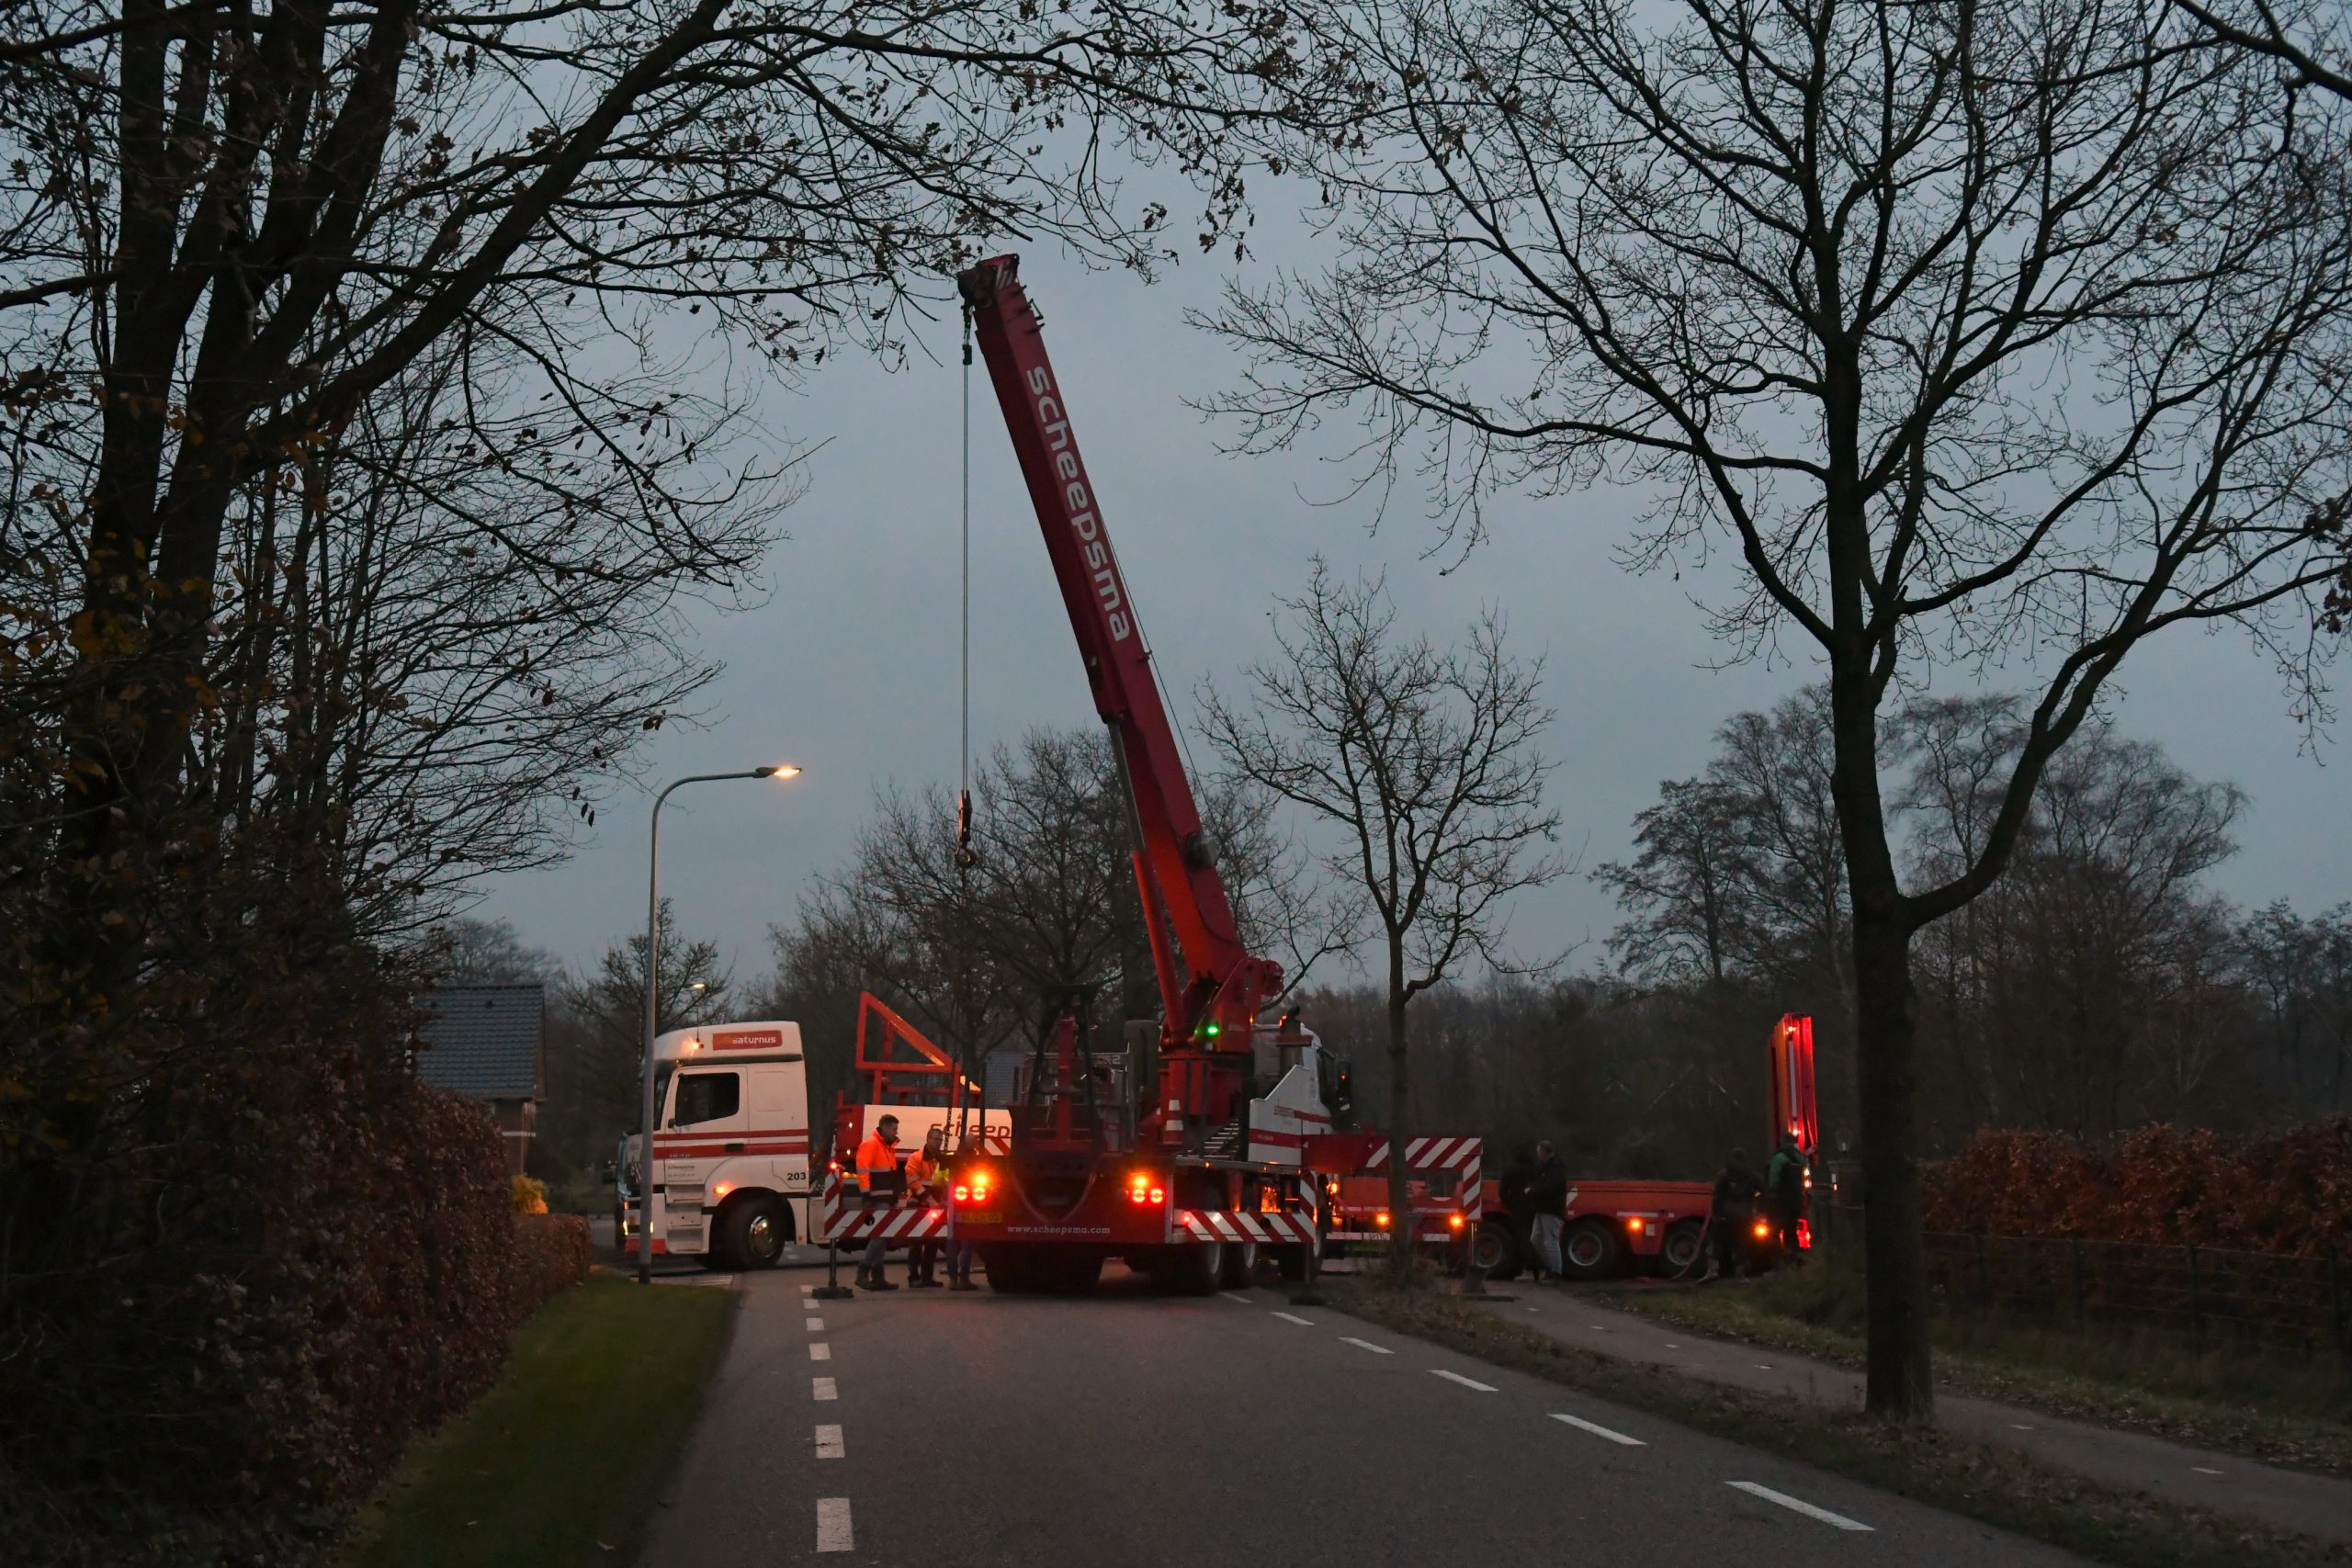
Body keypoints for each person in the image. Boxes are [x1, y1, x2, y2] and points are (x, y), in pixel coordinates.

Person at [854, 1114, 902, 1292]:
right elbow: (863, 1170)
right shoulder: (871, 1144)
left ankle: (877, 1276)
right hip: (877, 1197)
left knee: (882, 1236)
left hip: (885, 1197)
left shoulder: (887, 1147)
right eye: (894, 1129)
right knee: (879, 1236)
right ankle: (864, 1270)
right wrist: (866, 1194)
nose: (896, 1132)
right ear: (884, 1127)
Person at [1707, 1147, 1763, 1283]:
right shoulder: (1751, 1175)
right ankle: (1740, 1275)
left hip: (1725, 1216)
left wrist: (1716, 1213)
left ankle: (1712, 1271)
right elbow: (1763, 1191)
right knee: (1741, 1245)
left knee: (1717, 1243)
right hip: (1744, 1216)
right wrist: (1755, 1205)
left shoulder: (1724, 1174)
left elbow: (1717, 1197)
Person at [902, 1127, 946, 1288]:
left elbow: (944, 1181)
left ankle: (927, 1278)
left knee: (932, 1242)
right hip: (917, 1201)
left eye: (940, 1140)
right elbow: (912, 1181)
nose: (938, 1143)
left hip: (934, 1203)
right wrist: (929, 1199)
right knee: (916, 1242)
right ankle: (913, 1277)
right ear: (928, 1138)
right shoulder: (916, 1157)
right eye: (936, 1139)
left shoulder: (941, 1159)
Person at [1525, 1140, 1569, 1283]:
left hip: (1552, 1209)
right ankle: (1551, 1267)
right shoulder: (1545, 1167)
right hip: (1542, 1208)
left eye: (1539, 1151)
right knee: (1536, 1239)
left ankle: (1556, 1272)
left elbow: (1550, 1187)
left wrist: (1532, 1192)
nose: (1538, 1154)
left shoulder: (1556, 1168)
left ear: (1545, 1152)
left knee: (1551, 1241)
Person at [1765, 1133, 1807, 1260]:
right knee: (1791, 1233)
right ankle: (1792, 1261)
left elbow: (1774, 1179)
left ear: (1783, 1142)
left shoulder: (1779, 1158)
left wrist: (1771, 1196)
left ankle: (1778, 1265)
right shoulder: (1800, 1158)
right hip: (1795, 1202)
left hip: (1780, 1202)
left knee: (1774, 1233)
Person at [1500, 1144, 1537, 1278]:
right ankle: (1539, 1270)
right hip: (1535, 1208)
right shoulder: (1536, 1171)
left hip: (1518, 1208)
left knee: (1522, 1239)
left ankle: (1526, 1270)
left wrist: (1509, 1205)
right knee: (1537, 1238)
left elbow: (1503, 1191)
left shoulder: (1511, 1170)